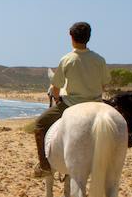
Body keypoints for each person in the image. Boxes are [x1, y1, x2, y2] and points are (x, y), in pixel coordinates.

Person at [33, 22, 108, 177]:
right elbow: (104, 84)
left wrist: (57, 98)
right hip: (96, 105)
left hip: (71, 104)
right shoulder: (99, 60)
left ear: (71, 38)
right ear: (89, 38)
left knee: (39, 124)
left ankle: (45, 165)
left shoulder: (67, 59)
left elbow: (56, 87)